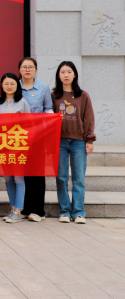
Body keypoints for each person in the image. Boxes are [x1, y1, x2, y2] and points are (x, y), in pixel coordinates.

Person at [52, 61, 95, 225]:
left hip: (79, 142)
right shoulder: (54, 95)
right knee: (61, 177)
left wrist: (89, 139)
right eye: (63, 72)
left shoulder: (83, 95)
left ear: (74, 74)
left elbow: (88, 118)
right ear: (58, 75)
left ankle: (78, 212)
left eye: (69, 72)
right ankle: (64, 211)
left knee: (78, 178)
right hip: (59, 142)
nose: (66, 75)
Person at [18, 57, 53, 222]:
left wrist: (43, 121)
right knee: (23, 172)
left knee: (37, 172)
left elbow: (49, 108)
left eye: (30, 67)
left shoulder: (43, 87)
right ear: (19, 69)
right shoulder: (14, 86)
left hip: (38, 135)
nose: (27, 70)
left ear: (35, 70)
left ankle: (38, 210)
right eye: (24, 67)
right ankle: (26, 208)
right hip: (18, 135)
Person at [0, 72, 31, 223]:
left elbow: (30, 124)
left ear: (17, 85)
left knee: (19, 178)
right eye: (6, 84)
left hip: (18, 145)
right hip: (2, 145)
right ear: (2, 86)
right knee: (8, 178)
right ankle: (12, 209)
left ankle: (18, 210)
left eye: (12, 83)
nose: (9, 86)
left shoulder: (22, 102)